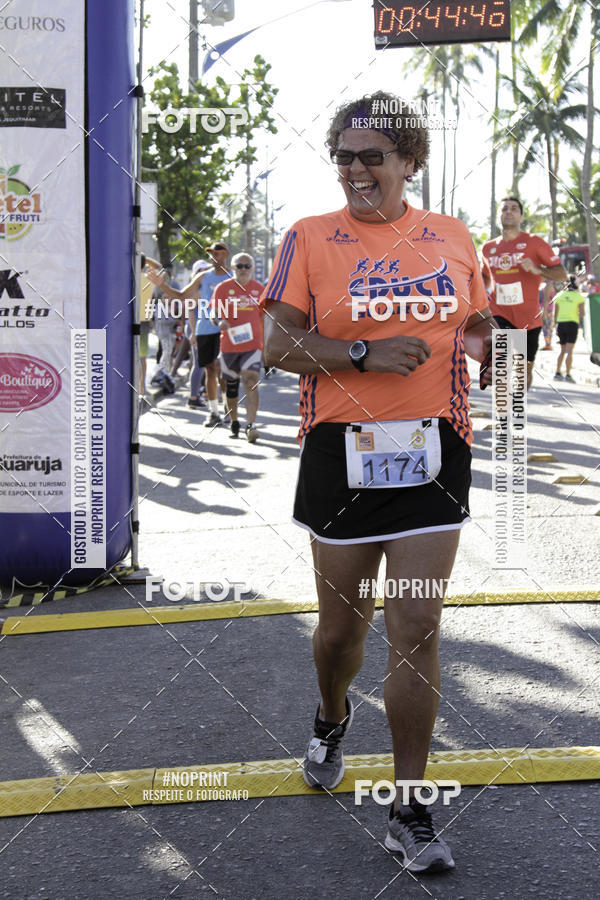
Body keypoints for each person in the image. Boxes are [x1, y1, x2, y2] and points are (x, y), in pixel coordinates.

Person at [261, 91, 495, 874]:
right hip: (342, 456)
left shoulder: (454, 236)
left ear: (408, 163)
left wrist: (485, 349)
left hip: (434, 452)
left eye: (373, 157)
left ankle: (409, 809)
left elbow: (475, 320)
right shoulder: (309, 238)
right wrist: (360, 356)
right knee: (341, 635)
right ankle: (331, 716)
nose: (357, 171)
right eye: (346, 156)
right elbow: (276, 346)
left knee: (416, 631)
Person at [482, 197, 566, 389]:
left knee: (524, 370)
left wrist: (538, 270)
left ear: (521, 217)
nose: (508, 212)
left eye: (513, 209)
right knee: (501, 359)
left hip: (529, 319)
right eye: (504, 209)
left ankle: (517, 404)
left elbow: (561, 274)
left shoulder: (534, 243)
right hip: (499, 314)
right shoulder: (488, 248)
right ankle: (502, 412)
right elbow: (483, 276)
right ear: (499, 216)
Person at [148, 243, 231, 426]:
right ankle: (214, 412)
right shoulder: (203, 276)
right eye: (211, 254)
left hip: (226, 330)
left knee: (222, 370)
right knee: (210, 369)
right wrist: (161, 285)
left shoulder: (233, 277)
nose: (213, 257)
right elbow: (181, 296)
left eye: (217, 254)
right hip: (205, 329)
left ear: (225, 254)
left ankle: (228, 408)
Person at [211, 252, 264, 442]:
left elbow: (265, 319)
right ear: (232, 268)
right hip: (229, 345)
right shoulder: (223, 288)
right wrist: (219, 322)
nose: (243, 269)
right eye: (239, 266)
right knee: (231, 388)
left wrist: (267, 346)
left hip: (253, 345)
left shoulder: (260, 289)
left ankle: (251, 425)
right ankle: (234, 421)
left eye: (246, 266)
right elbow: (214, 313)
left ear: (252, 268)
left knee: (251, 382)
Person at [553, 274, 585, 382]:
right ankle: (568, 374)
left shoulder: (559, 295)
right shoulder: (578, 296)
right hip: (572, 323)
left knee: (562, 350)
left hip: (561, 324)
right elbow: (582, 313)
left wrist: (555, 325)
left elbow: (555, 313)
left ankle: (557, 372)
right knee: (569, 351)